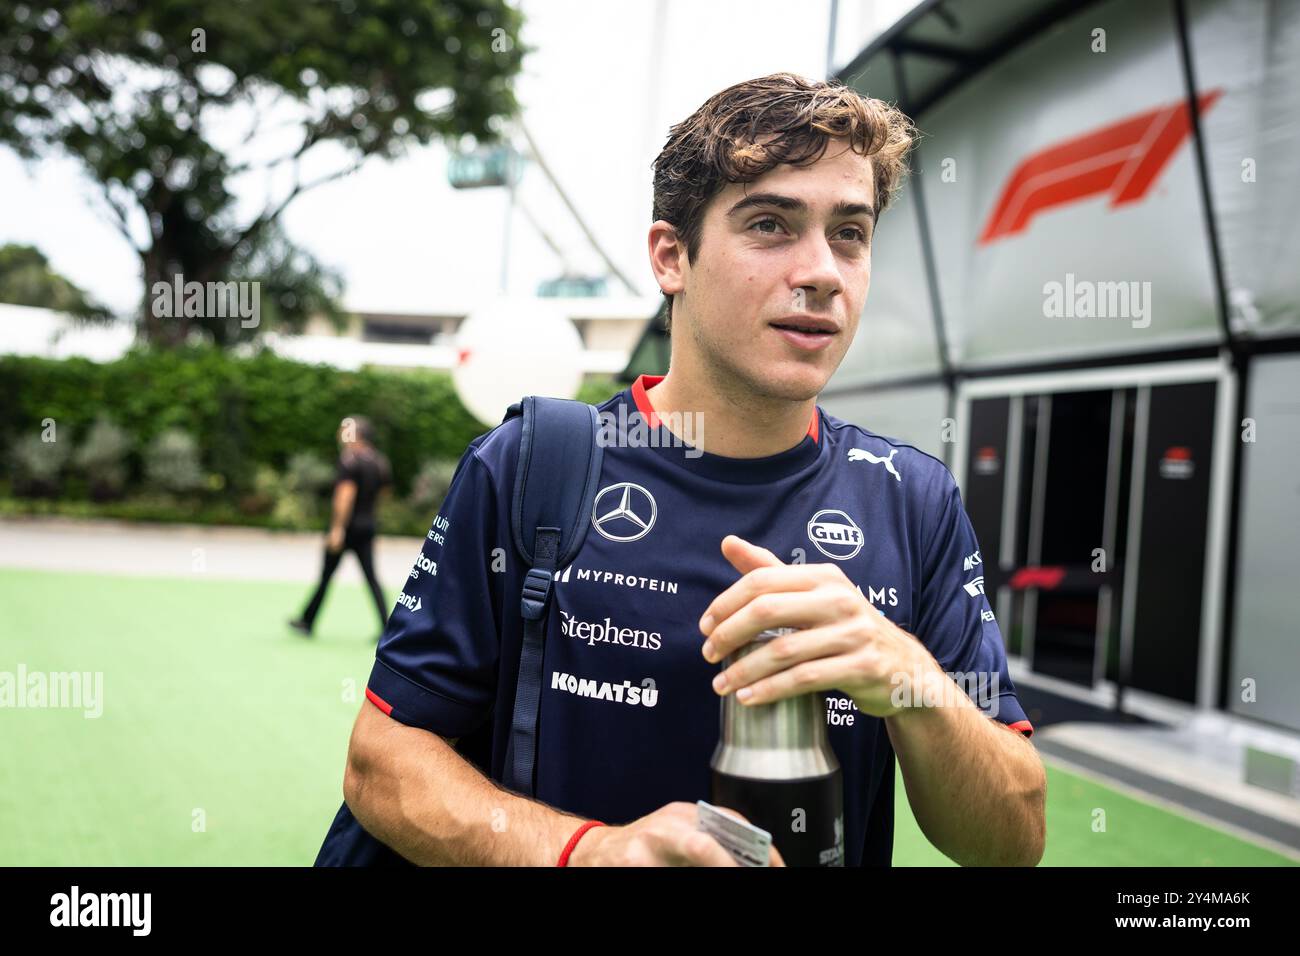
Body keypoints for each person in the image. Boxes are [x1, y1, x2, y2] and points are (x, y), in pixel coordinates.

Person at [315, 73, 1046, 867]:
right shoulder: (533, 466)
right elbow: (382, 763)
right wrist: (587, 854)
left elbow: (1011, 840)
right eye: (770, 224)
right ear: (672, 257)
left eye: (850, 234)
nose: (823, 272)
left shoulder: (914, 499)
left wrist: (908, 676)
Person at [290, 415, 392, 641]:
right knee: (371, 577)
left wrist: (337, 529)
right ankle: (387, 627)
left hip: (346, 529)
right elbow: (383, 494)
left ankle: (307, 622)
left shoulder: (349, 460)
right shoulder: (379, 462)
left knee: (326, 575)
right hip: (366, 526)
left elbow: (344, 496)